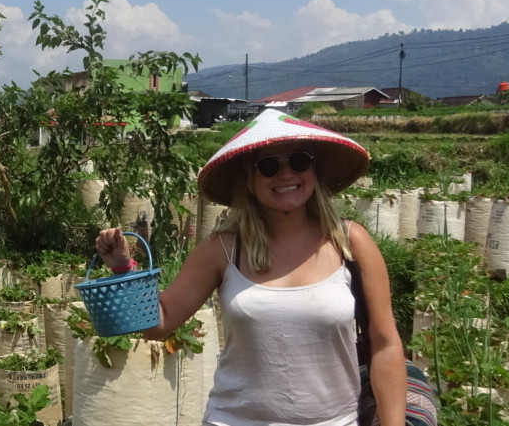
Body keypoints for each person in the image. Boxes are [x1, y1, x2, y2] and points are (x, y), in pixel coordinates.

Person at [95, 109, 407, 426]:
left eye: (299, 161)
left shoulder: (349, 243)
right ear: (249, 178)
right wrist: (124, 269)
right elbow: (157, 324)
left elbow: (385, 343)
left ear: (314, 169)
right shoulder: (224, 249)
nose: (286, 174)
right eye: (268, 166)